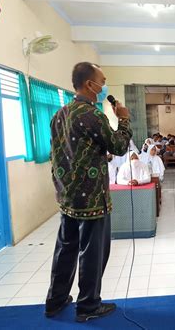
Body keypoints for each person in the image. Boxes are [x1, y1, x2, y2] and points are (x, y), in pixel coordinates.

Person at [46, 62, 131, 322]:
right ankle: (88, 306)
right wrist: (124, 119)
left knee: (66, 247)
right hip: (91, 197)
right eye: (102, 81)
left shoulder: (60, 114)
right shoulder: (91, 114)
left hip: (67, 195)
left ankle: (56, 300)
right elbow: (118, 146)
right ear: (89, 84)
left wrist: (96, 157)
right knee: (93, 252)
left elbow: (68, 152)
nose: (104, 86)